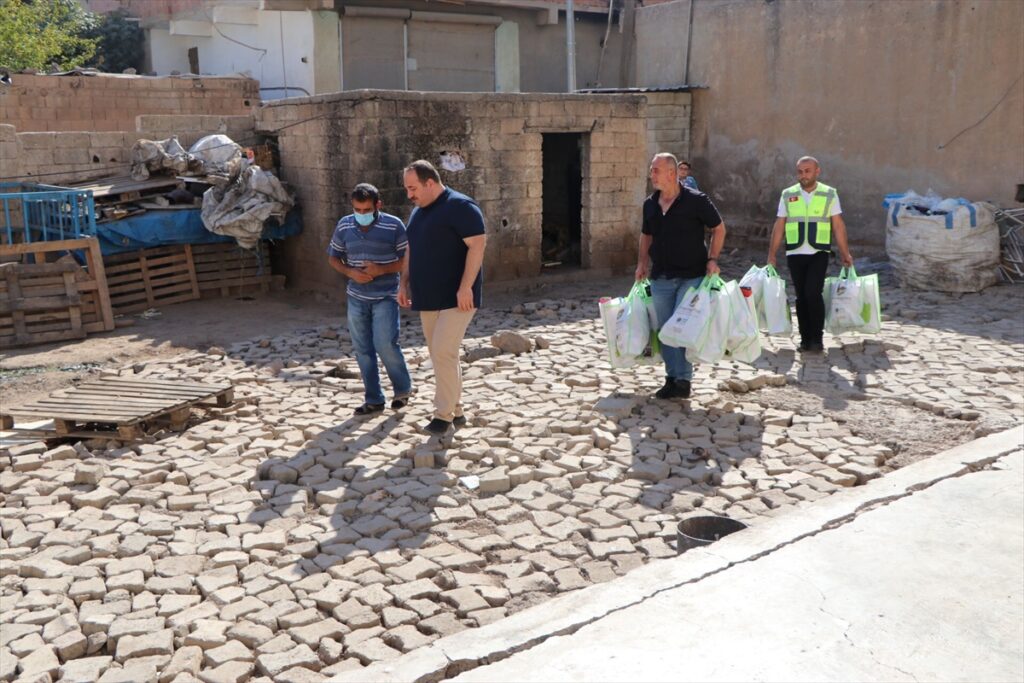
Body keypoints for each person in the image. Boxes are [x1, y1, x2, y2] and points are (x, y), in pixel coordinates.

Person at [399, 160, 486, 435]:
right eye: (407, 189)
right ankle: (457, 410)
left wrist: (466, 287)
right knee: (442, 355)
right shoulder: (418, 212)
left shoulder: (461, 207)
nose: (409, 194)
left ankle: (443, 415)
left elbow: (478, 245)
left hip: (457, 296)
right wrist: (403, 282)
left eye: (413, 188)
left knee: (442, 352)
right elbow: (411, 248)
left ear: (430, 183)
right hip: (427, 295)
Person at [636, 153, 726, 399]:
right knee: (665, 330)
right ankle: (671, 377)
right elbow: (646, 235)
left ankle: (683, 380)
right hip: (661, 276)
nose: (651, 174)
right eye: (651, 169)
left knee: (681, 329)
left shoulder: (696, 201)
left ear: (672, 173)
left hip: (691, 275)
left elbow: (718, 228)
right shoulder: (650, 204)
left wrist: (713, 259)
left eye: (656, 170)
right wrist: (641, 263)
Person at [327, 183, 413, 416]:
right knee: (362, 349)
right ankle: (374, 399)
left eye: (366, 210)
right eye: (358, 210)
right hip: (356, 297)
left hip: (386, 295)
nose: (362, 215)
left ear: (378, 205)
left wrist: (381, 270)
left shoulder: (393, 225)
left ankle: (402, 390)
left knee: (386, 344)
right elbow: (334, 258)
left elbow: (406, 260)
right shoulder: (344, 225)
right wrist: (350, 272)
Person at [766, 156, 853, 353]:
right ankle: (805, 339)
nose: (803, 175)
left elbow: (838, 225)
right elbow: (780, 224)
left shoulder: (829, 194)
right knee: (800, 296)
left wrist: (845, 252)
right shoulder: (788, 194)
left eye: (807, 171)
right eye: (800, 172)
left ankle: (817, 338)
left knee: (813, 292)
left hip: (818, 251)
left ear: (817, 171)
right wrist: (772, 254)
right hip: (795, 252)